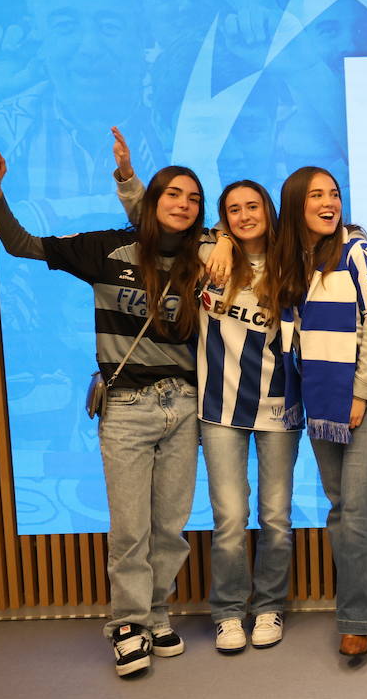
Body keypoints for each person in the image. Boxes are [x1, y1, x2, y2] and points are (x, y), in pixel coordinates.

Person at [0, 151, 203, 678]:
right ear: (152, 201)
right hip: (126, 407)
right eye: (172, 194)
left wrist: (129, 181)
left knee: (170, 526)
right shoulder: (108, 248)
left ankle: (157, 611)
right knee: (130, 528)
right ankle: (127, 623)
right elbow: (23, 245)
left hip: (184, 404)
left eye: (193, 199)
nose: (183, 205)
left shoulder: (206, 257)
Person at [111, 130, 303, 655]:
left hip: (280, 409)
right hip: (217, 408)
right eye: (232, 209)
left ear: (268, 211)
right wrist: (129, 180)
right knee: (229, 519)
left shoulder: (292, 263)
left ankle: (268, 607)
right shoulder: (206, 256)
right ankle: (227, 612)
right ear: (223, 218)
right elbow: (152, 222)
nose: (244, 216)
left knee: (277, 519)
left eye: (252, 206)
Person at [265, 166, 367, 656]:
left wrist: (360, 396)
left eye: (335, 194)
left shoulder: (358, 251)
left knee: (358, 508)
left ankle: (359, 619)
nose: (329, 202)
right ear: (296, 205)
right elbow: (234, 226)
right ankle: (365, 610)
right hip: (321, 400)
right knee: (344, 508)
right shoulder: (290, 260)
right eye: (316, 195)